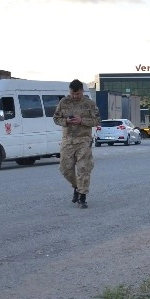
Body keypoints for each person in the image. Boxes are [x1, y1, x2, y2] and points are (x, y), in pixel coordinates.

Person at [52, 79, 100, 209]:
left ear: (82, 91)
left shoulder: (89, 104)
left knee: (84, 168)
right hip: (68, 140)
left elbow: (97, 120)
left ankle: (82, 197)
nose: (75, 96)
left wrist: (82, 120)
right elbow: (56, 118)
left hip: (84, 140)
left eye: (77, 94)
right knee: (65, 169)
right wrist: (66, 121)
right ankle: (77, 187)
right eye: (73, 94)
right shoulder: (64, 102)